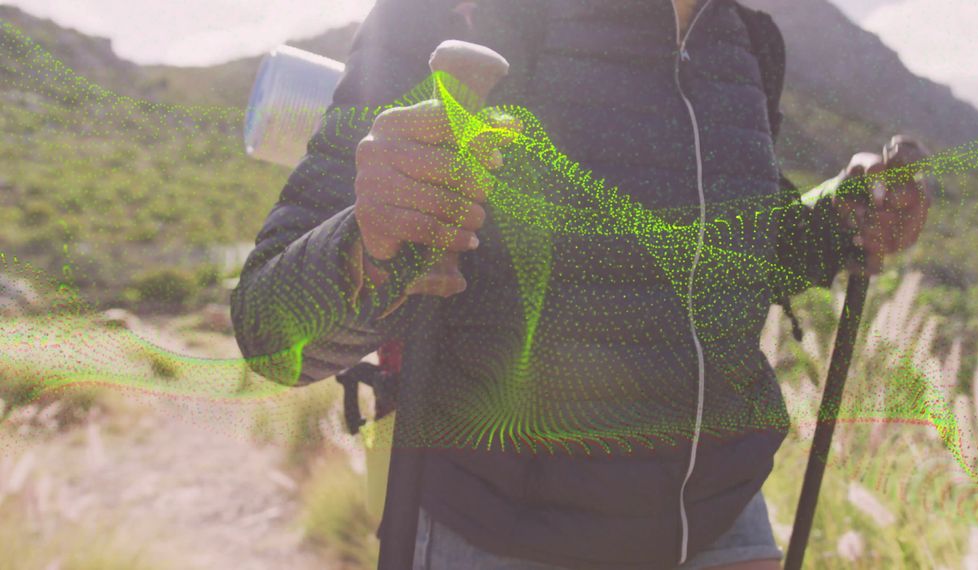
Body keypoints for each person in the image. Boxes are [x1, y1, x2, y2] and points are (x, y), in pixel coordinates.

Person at [231, 1, 931, 568]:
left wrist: (838, 218)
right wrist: (371, 241)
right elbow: (269, 328)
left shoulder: (745, 42)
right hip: (501, 532)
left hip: (722, 517)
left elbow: (730, 249)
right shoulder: (450, 16)